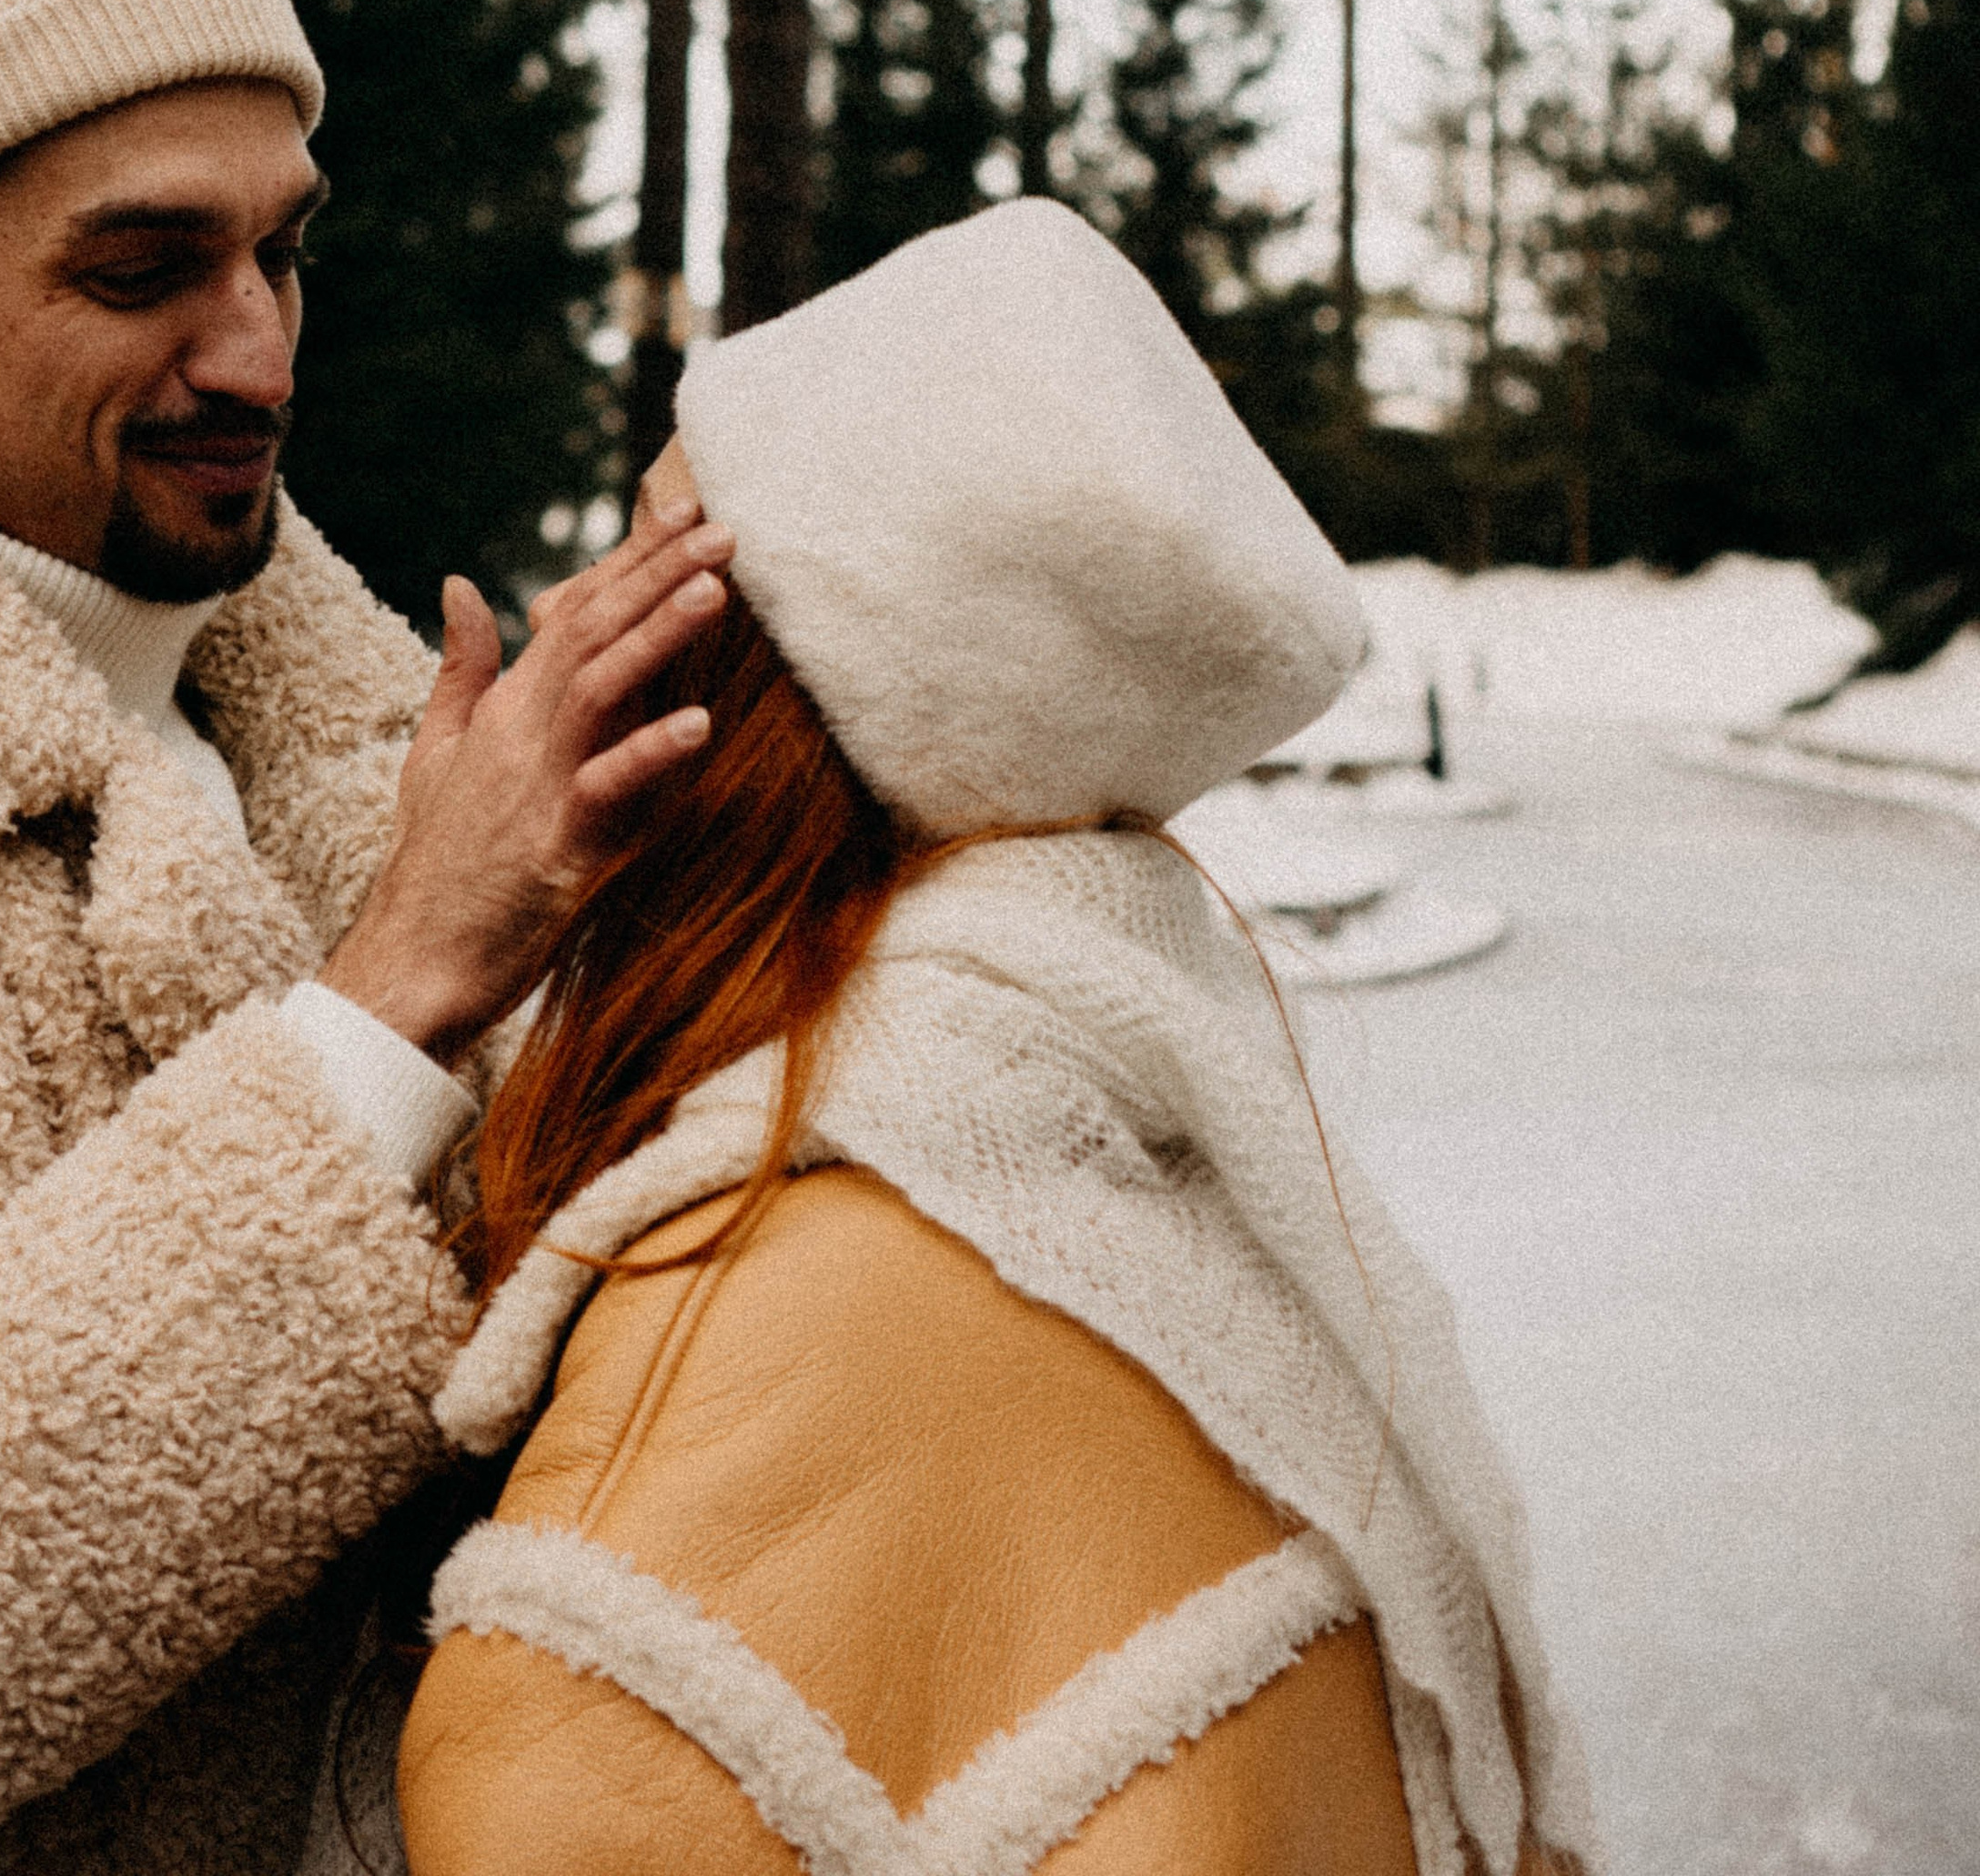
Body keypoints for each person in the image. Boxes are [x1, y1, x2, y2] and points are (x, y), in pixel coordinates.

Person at [0, 0, 728, 1875]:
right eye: (142, 269)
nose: (256, 352)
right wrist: (406, 983)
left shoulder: (366, 741)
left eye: (283, 251)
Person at [397, 199, 1601, 1876]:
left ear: (750, 702)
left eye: (652, 545)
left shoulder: (747, 1312)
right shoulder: (1166, 1171)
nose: (575, 608)